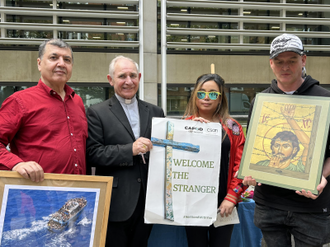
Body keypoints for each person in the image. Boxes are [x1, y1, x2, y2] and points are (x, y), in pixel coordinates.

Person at [244, 33, 330, 247]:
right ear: (271, 64)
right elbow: (254, 147)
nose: (285, 67)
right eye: (279, 62)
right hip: (269, 205)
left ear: (303, 60)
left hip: (311, 205)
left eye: (292, 60)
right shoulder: (260, 101)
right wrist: (250, 171)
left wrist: (321, 175)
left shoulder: (325, 100)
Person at [86, 55, 165, 247]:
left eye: (132, 76)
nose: (128, 81)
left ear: (138, 77)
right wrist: (130, 149)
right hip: (116, 202)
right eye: (122, 76)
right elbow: (94, 154)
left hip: (148, 201)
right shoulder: (97, 112)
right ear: (110, 79)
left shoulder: (156, 111)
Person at [0, 38, 87, 182]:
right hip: (36, 194)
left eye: (67, 59)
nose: (61, 64)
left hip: (76, 193)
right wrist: (16, 164)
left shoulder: (77, 102)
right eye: (54, 58)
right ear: (39, 64)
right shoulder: (19, 101)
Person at [183, 73, 246, 247]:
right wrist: (191, 130)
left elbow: (241, 166)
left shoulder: (233, 127)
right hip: (193, 202)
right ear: (195, 95)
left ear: (220, 99)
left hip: (224, 202)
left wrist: (232, 197)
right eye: (201, 93)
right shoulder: (183, 125)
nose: (206, 98)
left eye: (213, 94)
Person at [256, 104, 309, 172]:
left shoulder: (297, 169)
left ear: (294, 150)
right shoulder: (261, 165)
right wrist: (269, 169)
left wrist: (290, 120)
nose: (280, 150)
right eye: (277, 145)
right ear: (272, 147)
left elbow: (309, 146)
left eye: (286, 146)